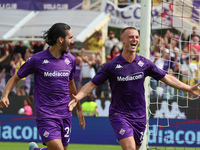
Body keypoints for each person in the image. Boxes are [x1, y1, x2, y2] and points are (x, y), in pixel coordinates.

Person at [68, 27, 200, 150]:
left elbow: (166, 77)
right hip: (119, 114)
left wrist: (188, 88)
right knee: (130, 148)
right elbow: (91, 84)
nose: (135, 39)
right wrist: (78, 97)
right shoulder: (111, 66)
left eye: (137, 37)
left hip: (140, 116)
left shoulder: (145, 63)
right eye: (131, 37)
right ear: (122, 40)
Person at [0, 23, 85, 150]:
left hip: (65, 113)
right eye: (70, 38)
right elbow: (15, 77)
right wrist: (5, 95)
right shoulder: (37, 59)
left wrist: (78, 108)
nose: (72, 41)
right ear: (60, 39)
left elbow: (71, 85)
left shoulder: (71, 60)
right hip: (46, 114)